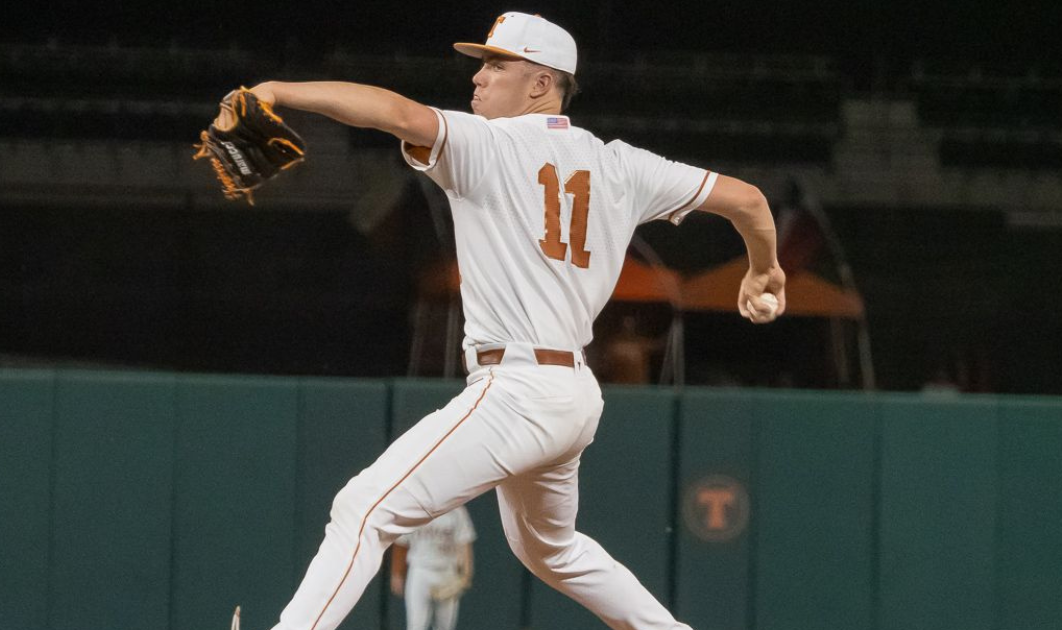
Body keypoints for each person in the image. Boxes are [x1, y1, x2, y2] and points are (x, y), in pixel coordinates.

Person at [243, 11, 786, 630]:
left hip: (518, 390)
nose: (478, 77)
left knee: (363, 510)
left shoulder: (487, 144)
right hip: (573, 394)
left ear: (540, 84)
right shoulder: (622, 165)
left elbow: (393, 112)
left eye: (496, 64)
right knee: (551, 550)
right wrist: (763, 268)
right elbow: (748, 200)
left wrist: (278, 92)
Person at [390, 506, 476, 630]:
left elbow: (464, 543)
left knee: (445, 626)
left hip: (446, 572)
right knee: (416, 625)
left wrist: (465, 575)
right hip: (420, 570)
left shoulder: (456, 509)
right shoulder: (416, 508)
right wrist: (397, 573)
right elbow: (401, 542)